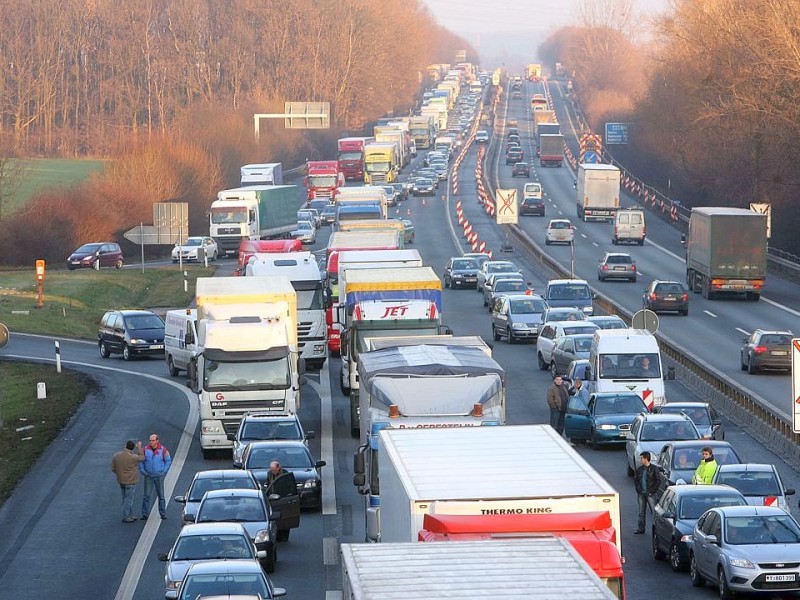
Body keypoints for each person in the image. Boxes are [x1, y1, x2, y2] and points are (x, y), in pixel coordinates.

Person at [139, 433, 172, 520]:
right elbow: (141, 461)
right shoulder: (145, 449)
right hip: (148, 476)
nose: (151, 442)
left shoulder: (163, 450)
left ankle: (163, 513)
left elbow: (168, 460)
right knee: (146, 496)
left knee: (161, 496)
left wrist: (164, 471)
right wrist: (142, 471)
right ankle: (144, 514)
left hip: (159, 476)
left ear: (157, 441)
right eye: (150, 440)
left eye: (153, 440)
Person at [111, 440, 144, 522]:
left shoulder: (116, 456)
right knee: (129, 499)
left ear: (125, 445)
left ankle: (129, 514)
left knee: (125, 498)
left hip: (121, 480)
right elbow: (142, 457)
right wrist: (139, 447)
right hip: (131, 481)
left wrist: (119, 474)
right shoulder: (133, 457)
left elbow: (113, 468)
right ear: (132, 448)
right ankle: (126, 516)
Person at [634, 451, 665, 534]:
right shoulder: (639, 469)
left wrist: (652, 491)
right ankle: (641, 529)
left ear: (646, 458)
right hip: (641, 494)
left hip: (651, 494)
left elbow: (658, 481)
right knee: (641, 512)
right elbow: (636, 480)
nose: (640, 460)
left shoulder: (654, 469)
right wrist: (638, 490)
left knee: (654, 513)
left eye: (642, 458)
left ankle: (657, 530)